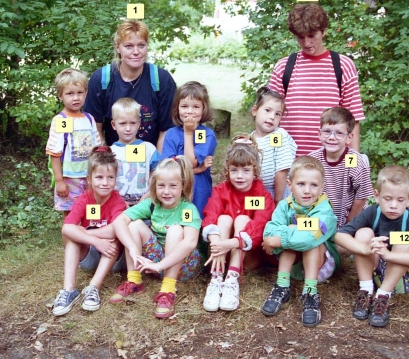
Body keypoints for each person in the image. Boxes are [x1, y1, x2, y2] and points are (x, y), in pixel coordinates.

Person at [334, 165, 409, 328]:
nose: (393, 205)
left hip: (401, 279)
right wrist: (364, 248)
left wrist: (389, 255)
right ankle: (365, 290)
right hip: (374, 273)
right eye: (388, 199)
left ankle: (382, 296)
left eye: (400, 200)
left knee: (404, 239)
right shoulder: (373, 212)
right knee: (363, 233)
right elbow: (339, 235)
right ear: (377, 196)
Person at [110, 156, 202, 319]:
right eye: (161, 186)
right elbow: (119, 221)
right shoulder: (151, 204)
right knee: (133, 225)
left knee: (175, 230)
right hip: (156, 264)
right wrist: (131, 247)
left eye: (173, 186)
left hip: (184, 265)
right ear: (154, 186)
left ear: (183, 186)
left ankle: (167, 290)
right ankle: (134, 281)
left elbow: (190, 242)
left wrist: (160, 265)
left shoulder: (187, 209)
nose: (166, 192)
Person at [268, 3, 365, 156]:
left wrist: (352, 165)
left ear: (324, 31)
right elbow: (270, 117)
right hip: (289, 163)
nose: (306, 43)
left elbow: (353, 119)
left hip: (331, 164)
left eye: (312, 36)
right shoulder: (284, 67)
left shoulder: (342, 66)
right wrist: (273, 157)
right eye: (300, 37)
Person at [260, 156, 340, 327]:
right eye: (301, 184)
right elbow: (270, 230)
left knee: (309, 241)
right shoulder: (284, 205)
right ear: (290, 185)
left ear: (322, 188)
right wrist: (285, 233)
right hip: (295, 266)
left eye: (314, 185)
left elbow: (309, 238)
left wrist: (281, 236)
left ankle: (310, 292)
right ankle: (282, 285)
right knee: (292, 236)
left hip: (321, 266)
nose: (307, 191)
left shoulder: (324, 209)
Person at [201, 134, 275, 312]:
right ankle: (217, 278)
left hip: (246, 253)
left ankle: (232, 279)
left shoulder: (261, 195)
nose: (239, 176)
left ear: (255, 171)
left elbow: (260, 224)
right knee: (223, 218)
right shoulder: (221, 190)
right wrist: (217, 242)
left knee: (242, 219)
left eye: (246, 170)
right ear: (227, 171)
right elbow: (210, 214)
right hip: (219, 251)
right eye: (234, 170)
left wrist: (231, 243)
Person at [52, 147, 127, 316]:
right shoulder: (84, 199)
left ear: (116, 180)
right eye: (99, 177)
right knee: (71, 235)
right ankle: (68, 289)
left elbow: (116, 230)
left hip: (112, 256)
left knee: (111, 238)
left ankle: (93, 287)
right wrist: (95, 241)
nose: (105, 183)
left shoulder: (118, 202)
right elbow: (66, 228)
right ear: (89, 179)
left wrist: (84, 232)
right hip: (90, 254)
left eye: (110, 178)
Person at [84, 19, 177, 151]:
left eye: (141, 45)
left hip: (151, 156)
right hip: (112, 157)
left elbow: (166, 129)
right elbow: (95, 130)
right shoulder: (100, 79)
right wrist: (106, 163)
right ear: (118, 47)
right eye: (128, 46)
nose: (136, 52)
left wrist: (157, 166)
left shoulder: (161, 79)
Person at [46, 68, 102, 213]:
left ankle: (91, 235)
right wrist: (59, 181)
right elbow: (55, 153)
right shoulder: (62, 120)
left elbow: (97, 150)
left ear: (86, 93)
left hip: (90, 177)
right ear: (60, 95)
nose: (75, 98)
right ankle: (71, 236)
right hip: (70, 179)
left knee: (92, 212)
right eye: (70, 93)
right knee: (71, 215)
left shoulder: (89, 119)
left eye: (79, 93)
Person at [308, 107, 374, 228]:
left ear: (349, 137)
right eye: (327, 131)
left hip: (354, 217)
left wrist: (349, 223)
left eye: (339, 133)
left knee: (361, 237)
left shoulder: (354, 161)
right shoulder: (313, 160)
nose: (332, 137)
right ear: (319, 134)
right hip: (320, 218)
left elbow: (361, 195)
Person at [161, 81, 217, 217]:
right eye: (184, 106)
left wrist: (188, 133)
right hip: (175, 189)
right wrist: (199, 169)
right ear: (177, 108)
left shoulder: (206, 133)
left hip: (198, 190)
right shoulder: (171, 134)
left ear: (204, 109)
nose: (190, 111)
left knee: (196, 222)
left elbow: (190, 162)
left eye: (196, 107)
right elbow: (169, 168)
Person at [109, 98, 160, 206]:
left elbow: (158, 176)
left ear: (138, 123)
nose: (128, 128)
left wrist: (148, 195)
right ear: (114, 125)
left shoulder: (149, 149)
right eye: (122, 123)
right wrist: (118, 201)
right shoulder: (109, 152)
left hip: (145, 203)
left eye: (132, 123)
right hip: (117, 205)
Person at [250, 86, 297, 203]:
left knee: (276, 220)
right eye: (267, 110)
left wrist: (277, 200)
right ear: (255, 111)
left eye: (278, 114)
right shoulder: (249, 139)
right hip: (255, 192)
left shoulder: (277, 135)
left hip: (277, 192)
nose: (272, 117)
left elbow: (281, 170)